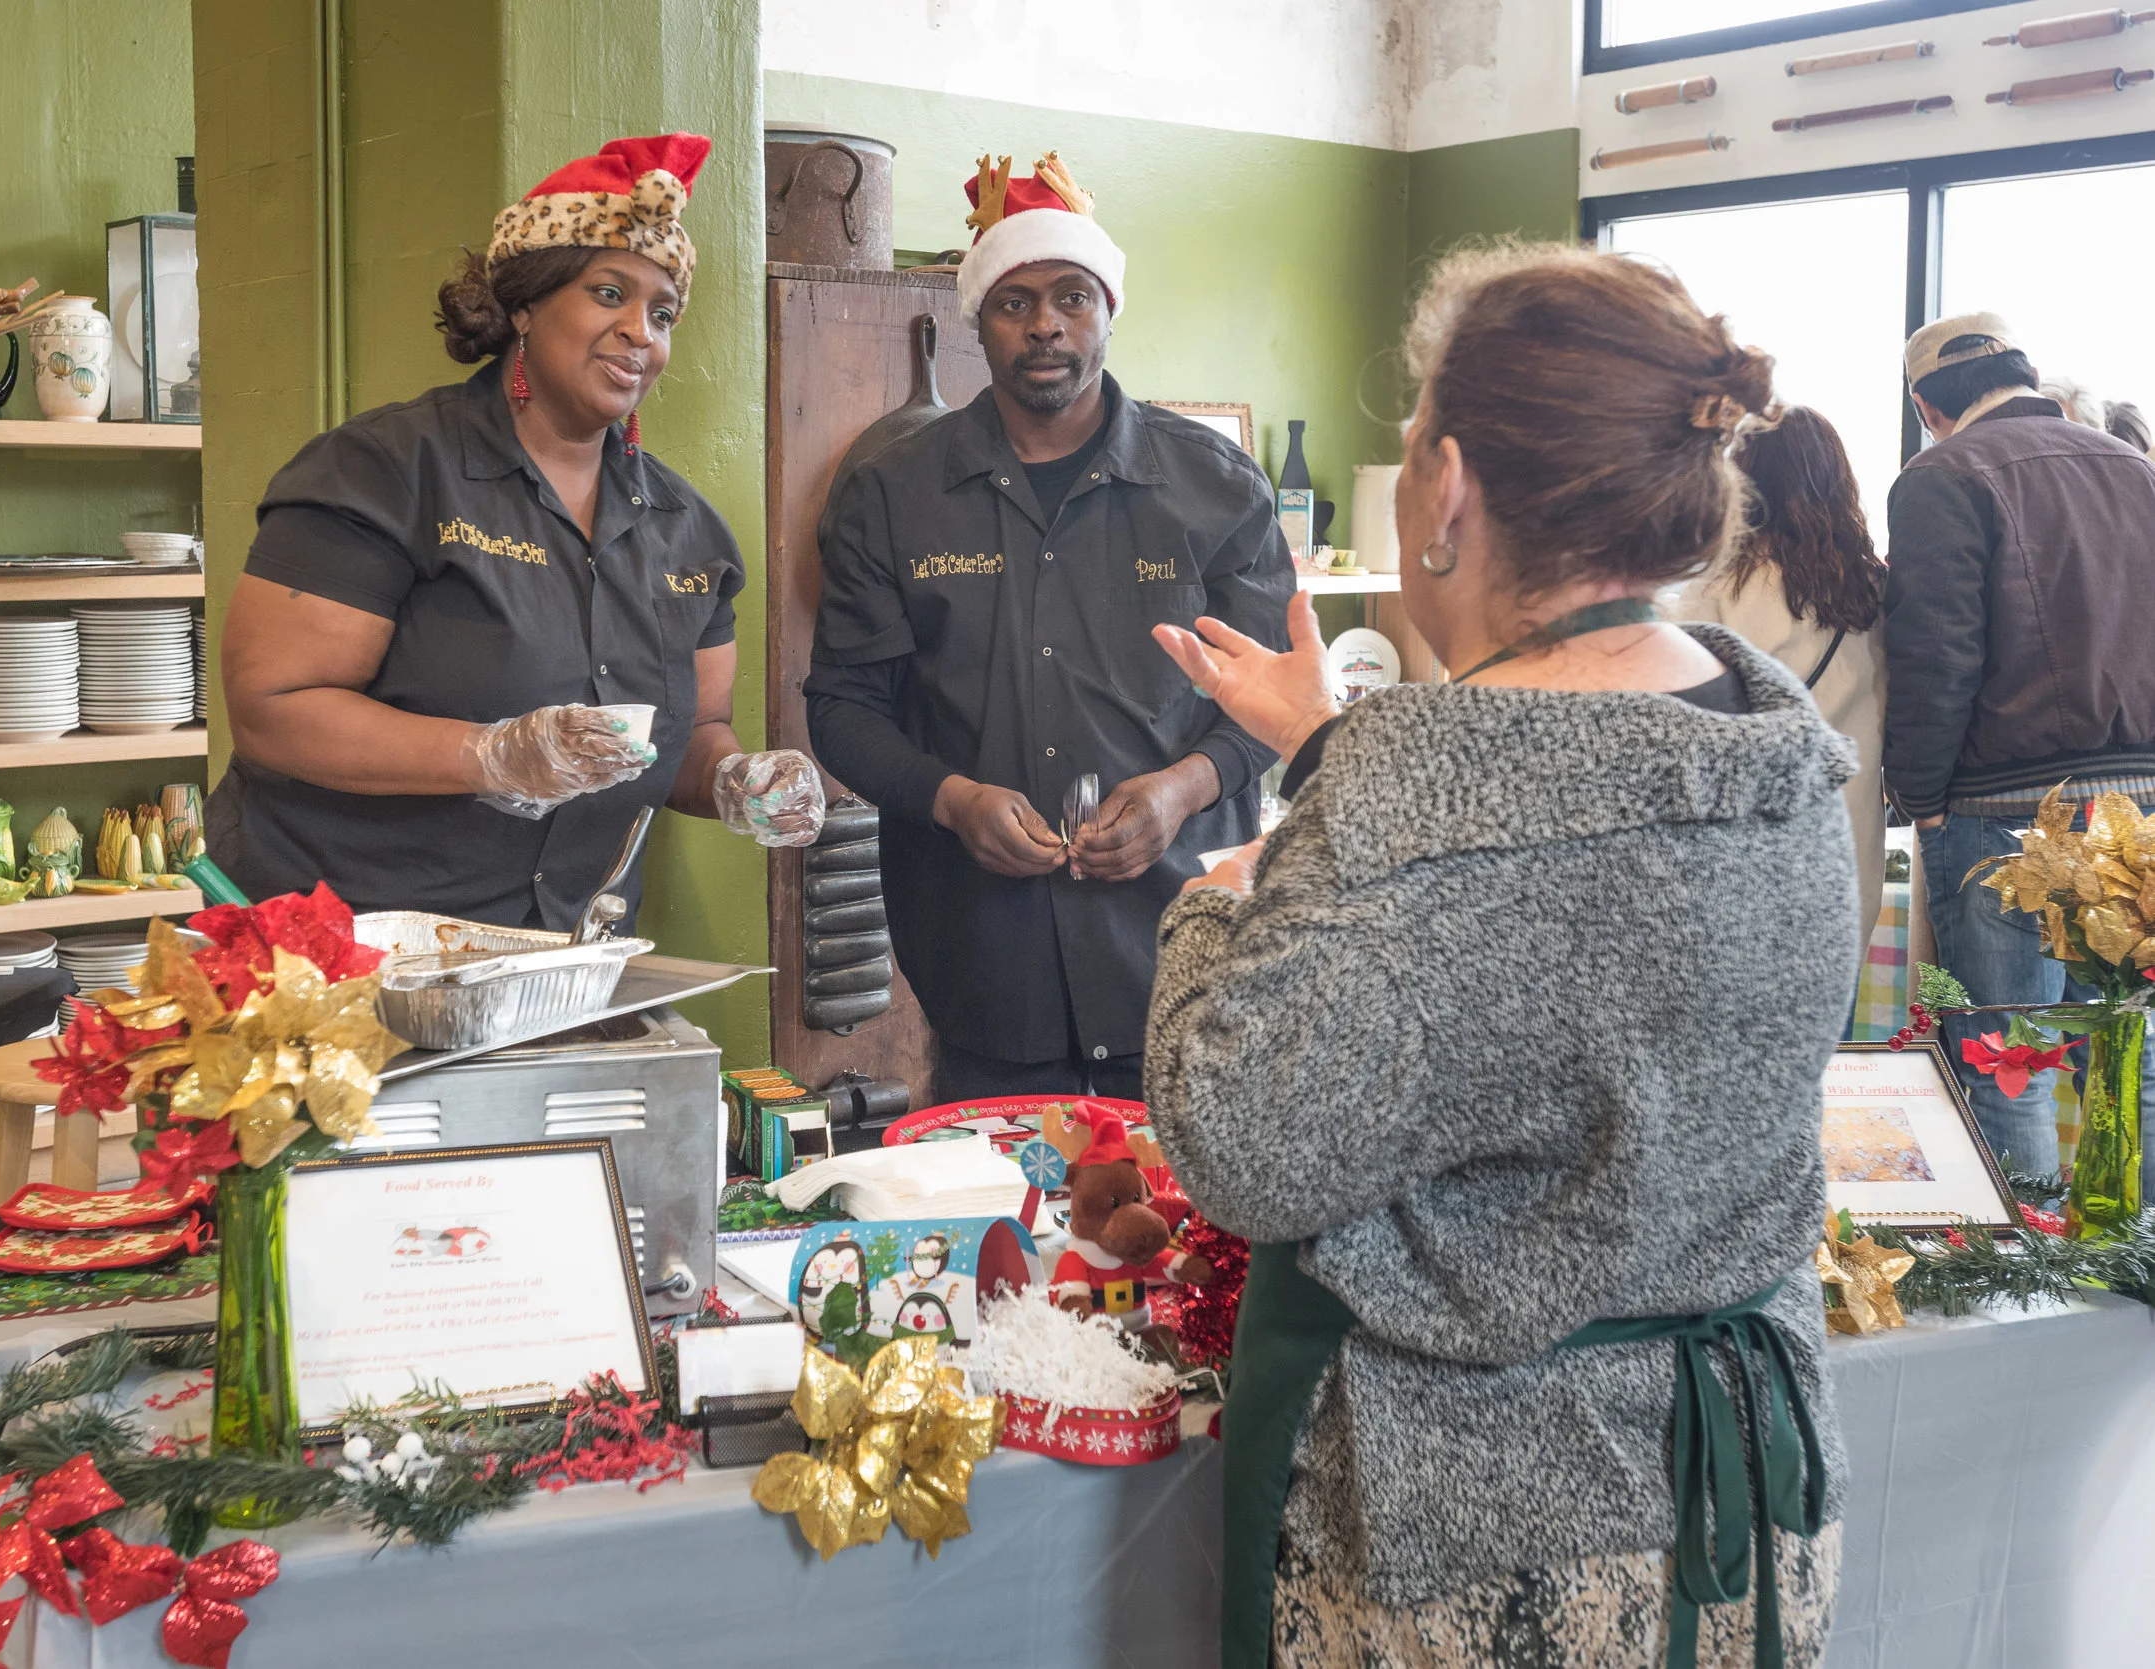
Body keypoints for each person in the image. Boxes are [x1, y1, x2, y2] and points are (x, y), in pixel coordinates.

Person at [1146, 245, 1852, 1668]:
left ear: (1449, 486)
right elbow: (1558, 934)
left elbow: (1243, 1141)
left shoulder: (1418, 799)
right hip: (1739, 1499)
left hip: (1488, 1540)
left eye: (1411, 434)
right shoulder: (1774, 747)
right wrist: (1337, 759)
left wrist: (1218, 905)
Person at [211, 133, 823, 929]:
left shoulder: (690, 534)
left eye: (662, 312)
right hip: (338, 944)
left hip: (562, 952)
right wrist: (490, 754)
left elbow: (691, 734)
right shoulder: (384, 471)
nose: (641, 331)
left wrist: (734, 781)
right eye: (610, 293)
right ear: (525, 305)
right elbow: (274, 706)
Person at [806, 151, 1294, 1103]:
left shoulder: (1216, 487)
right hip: (985, 964)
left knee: (1181, 1202)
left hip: (1184, 958)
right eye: (1014, 302)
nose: (1045, 325)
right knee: (999, 1197)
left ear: (1108, 309)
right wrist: (953, 800)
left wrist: (1182, 789)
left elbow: (1274, 703)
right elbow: (843, 708)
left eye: (1073, 296)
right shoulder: (894, 494)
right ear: (977, 319)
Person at [1885, 313, 2155, 1181]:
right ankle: (2135, 1259)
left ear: (1927, 406)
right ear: (2027, 376)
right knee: (2134, 1060)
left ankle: (2024, 1267)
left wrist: (1919, 799)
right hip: (2141, 812)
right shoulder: (2135, 469)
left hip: (2002, 813)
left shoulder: (1940, 476)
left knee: (2012, 1064)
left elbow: (1936, 656)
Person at [1678, 405, 1888, 955]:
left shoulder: (1715, 586)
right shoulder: (1872, 589)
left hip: (1746, 846)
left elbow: (1685, 722)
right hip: (1848, 841)